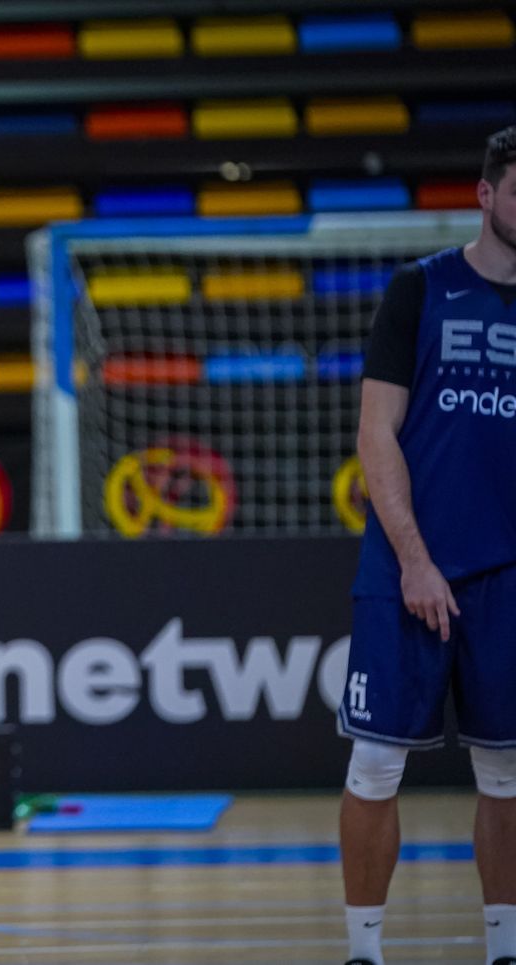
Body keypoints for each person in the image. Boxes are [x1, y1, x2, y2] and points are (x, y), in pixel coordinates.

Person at [339, 125, 516, 965]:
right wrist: (413, 557)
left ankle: (506, 948)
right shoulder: (421, 290)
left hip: (505, 573)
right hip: (407, 566)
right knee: (375, 766)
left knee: (507, 775)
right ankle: (364, 953)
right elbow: (377, 433)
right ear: (485, 196)